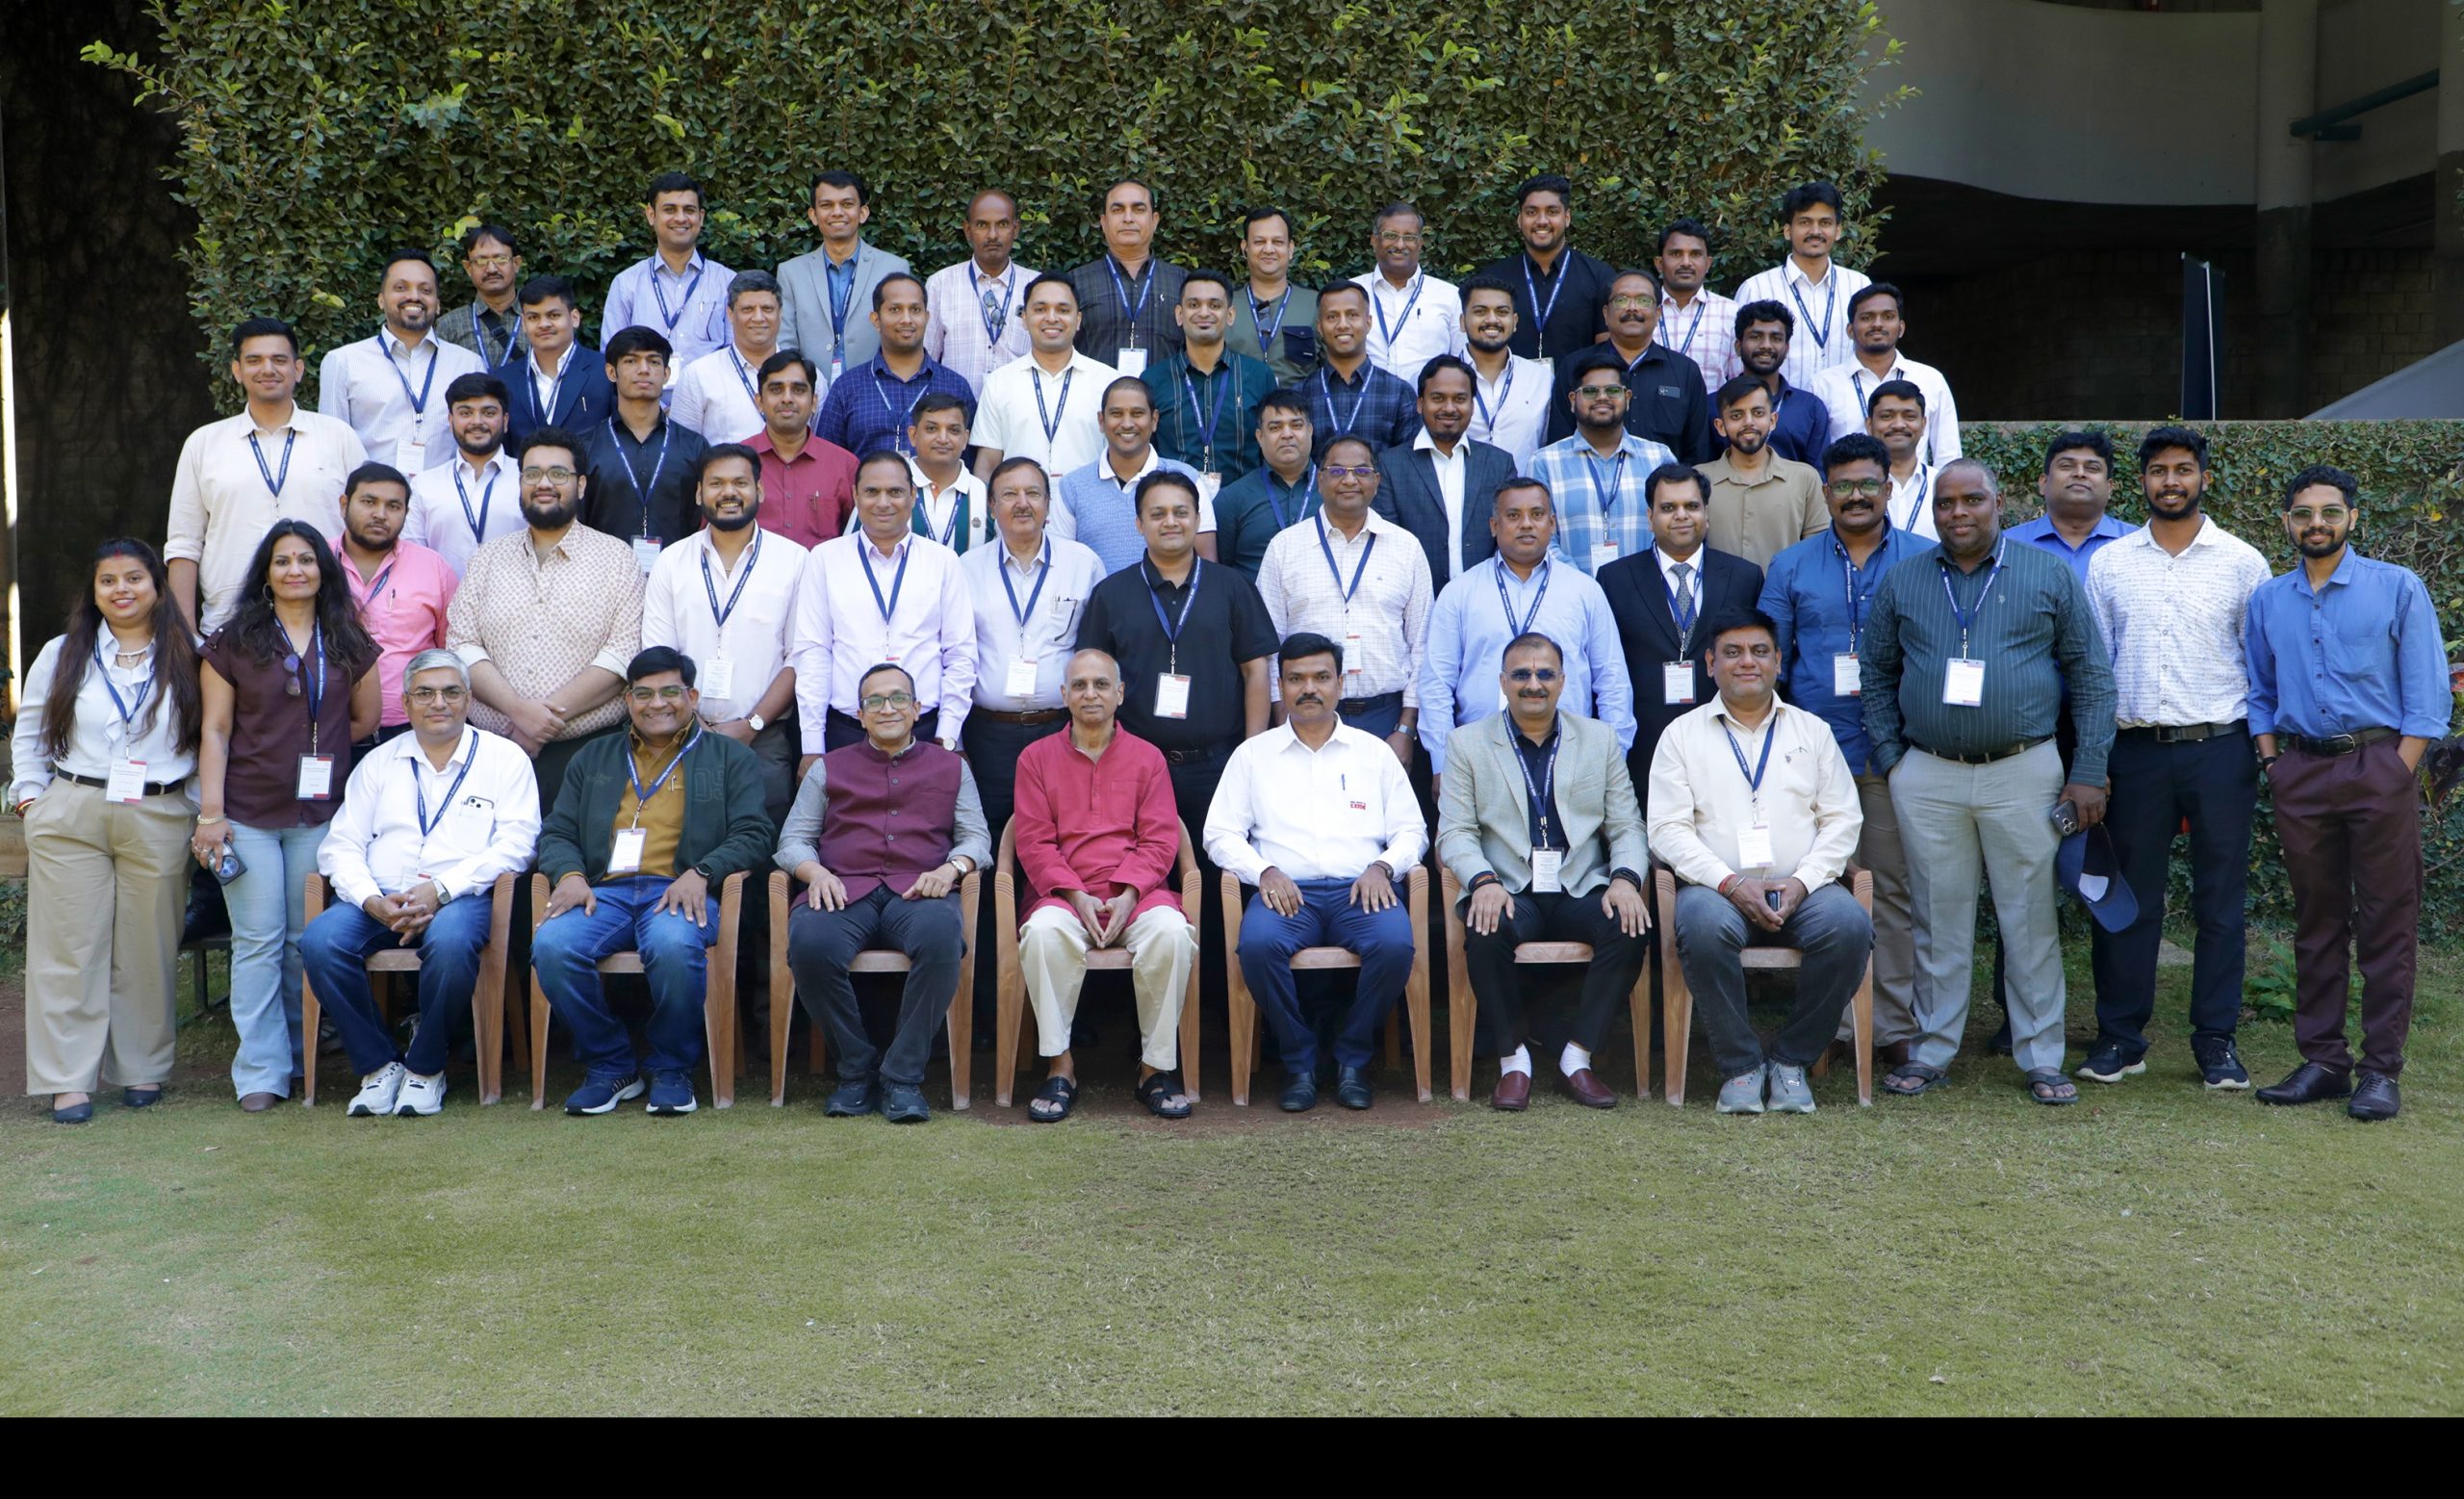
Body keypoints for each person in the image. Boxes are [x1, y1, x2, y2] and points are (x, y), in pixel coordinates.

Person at [1860, 458, 2116, 1106]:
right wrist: (1893, 757)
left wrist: (2089, 770)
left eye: (1972, 500)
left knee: (2029, 918)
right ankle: (1932, 1048)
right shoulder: (1905, 579)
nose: (1958, 513)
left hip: (2023, 770)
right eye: (1945, 503)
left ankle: (2042, 1055)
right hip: (1929, 772)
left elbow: (2091, 675)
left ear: (1999, 503)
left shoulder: (2046, 573)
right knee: (1936, 917)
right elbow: (1876, 672)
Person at [2247, 464, 2451, 1123]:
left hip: (2377, 767)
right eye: (2304, 513)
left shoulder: (2397, 587)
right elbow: (2260, 691)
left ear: (2352, 518)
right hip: (2301, 772)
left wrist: (2397, 770)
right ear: (2287, 522)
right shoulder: (2268, 600)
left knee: (2387, 919)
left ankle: (2380, 1070)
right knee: (2318, 920)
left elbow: (2428, 696)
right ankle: (2324, 1063)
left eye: (2330, 512)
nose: (2317, 523)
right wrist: (2273, 763)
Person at [2079, 426, 2272, 1092]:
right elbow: (2095, 670)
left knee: (2221, 901)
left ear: (2203, 479)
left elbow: (2260, 664)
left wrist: (2263, 750)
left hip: (2221, 748)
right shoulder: (2111, 563)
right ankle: (2120, 1037)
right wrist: (2094, 760)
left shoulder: (2243, 562)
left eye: (2183, 469)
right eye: (2158, 470)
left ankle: (2216, 1040)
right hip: (2136, 751)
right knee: (2128, 900)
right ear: (2142, 481)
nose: (2170, 481)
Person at [531, 648, 776, 1117]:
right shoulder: (593, 756)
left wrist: (702, 872)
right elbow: (557, 831)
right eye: (643, 694)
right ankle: (610, 1066)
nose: (656, 703)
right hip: (603, 892)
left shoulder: (729, 757)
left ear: (692, 697)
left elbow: (754, 833)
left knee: (672, 944)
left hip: (680, 890)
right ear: (628, 701)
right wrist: (571, 874)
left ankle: (671, 1068)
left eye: (669, 692)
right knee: (553, 946)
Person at [299, 651, 540, 1118]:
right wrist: (370, 899)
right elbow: (341, 844)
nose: (439, 703)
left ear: (468, 700)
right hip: (381, 897)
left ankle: (426, 1068)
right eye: (425, 693)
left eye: (451, 692)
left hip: (461, 898)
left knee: (450, 944)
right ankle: (379, 1066)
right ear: (406, 703)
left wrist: (441, 889)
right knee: (321, 942)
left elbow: (518, 845)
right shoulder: (379, 762)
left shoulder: (504, 759)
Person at [11, 540, 203, 1124]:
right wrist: (30, 798)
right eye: (108, 581)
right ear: (93, 593)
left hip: (159, 811)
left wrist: (195, 804)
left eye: (134, 578)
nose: (122, 590)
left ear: (157, 587)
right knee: (68, 950)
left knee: (148, 946)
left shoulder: (190, 653)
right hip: (74, 809)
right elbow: (31, 731)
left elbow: (211, 735)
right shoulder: (62, 652)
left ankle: (142, 1067)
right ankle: (67, 1079)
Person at [192, 522, 383, 1110]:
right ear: (266, 573)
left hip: (320, 815)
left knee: (304, 941)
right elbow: (215, 730)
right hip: (246, 812)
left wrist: (317, 744)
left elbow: (365, 721)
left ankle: (303, 1059)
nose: (295, 570)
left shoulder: (348, 639)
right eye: (282, 561)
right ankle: (261, 1071)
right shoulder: (234, 642)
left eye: (306, 559)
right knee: (258, 940)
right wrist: (211, 814)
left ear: (324, 570)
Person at [1650, 607, 1869, 1115]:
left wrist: (1804, 881)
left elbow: (1842, 819)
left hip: (1804, 890)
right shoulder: (1681, 736)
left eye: (1759, 651)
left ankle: (1791, 1061)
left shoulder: (1812, 732)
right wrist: (1728, 883)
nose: (1746, 662)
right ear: (1710, 664)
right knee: (1701, 926)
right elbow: (1666, 830)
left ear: (1778, 662)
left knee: (1849, 926)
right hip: (1716, 892)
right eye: (1732, 652)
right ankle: (1741, 1067)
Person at [1758, 435, 1932, 1062]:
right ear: (1826, 492)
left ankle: (1891, 1026)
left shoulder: (1924, 559)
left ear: (1889, 488)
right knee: (1821, 892)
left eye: (1869, 484)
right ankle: (1828, 1027)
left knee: (1891, 890)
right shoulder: (1791, 565)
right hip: (1810, 759)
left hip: (1893, 753)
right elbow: (1770, 663)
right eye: (1843, 486)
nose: (1857, 496)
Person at [1207, 633, 1426, 1111]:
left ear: (1340, 684)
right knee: (1257, 947)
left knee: (1395, 946)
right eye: (1296, 679)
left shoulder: (1373, 752)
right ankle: (1300, 1061)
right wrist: (1264, 871)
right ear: (1281, 686)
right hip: (1286, 894)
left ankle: (1352, 1057)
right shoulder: (1253, 756)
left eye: (1321, 677)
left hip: (1361, 892)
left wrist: (1383, 866)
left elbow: (1412, 830)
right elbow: (1219, 833)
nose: (1309, 688)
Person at [1437, 631, 1651, 1111]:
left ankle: (1578, 1057)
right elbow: (1455, 831)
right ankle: (1514, 1060)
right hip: (1509, 888)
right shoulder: (1467, 743)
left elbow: (1627, 825)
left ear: (1562, 681)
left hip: (1579, 885)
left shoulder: (1598, 739)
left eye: (1544, 674)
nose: (1533, 684)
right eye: (1521, 674)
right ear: (1503, 682)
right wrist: (1483, 882)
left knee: (1629, 924)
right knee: (1485, 927)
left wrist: (1625, 880)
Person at [777, 662, 989, 1124]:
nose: (887, 708)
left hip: (919, 891)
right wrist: (815, 873)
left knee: (941, 939)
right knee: (810, 944)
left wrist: (951, 869)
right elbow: (793, 840)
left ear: (917, 709)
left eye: (898, 698)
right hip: (842, 889)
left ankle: (903, 1078)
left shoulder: (952, 767)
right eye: (874, 701)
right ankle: (855, 1071)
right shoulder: (828, 768)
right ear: (859, 714)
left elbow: (976, 838)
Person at [1013, 648, 1201, 1122]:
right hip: (1062, 894)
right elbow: (1034, 842)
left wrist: (1129, 894)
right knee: (1042, 934)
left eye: (1101, 684)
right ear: (1064, 695)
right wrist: (1076, 895)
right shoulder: (1035, 758)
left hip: (1139, 894)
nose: (1090, 694)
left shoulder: (1148, 758)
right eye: (1079, 685)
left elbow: (1160, 839)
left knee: (1172, 933)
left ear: (1120, 693)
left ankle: (1154, 1069)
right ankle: (1060, 1066)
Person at [448, 426, 645, 810]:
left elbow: (623, 654)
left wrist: (540, 722)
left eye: (558, 473)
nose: (544, 484)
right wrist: (518, 712)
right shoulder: (488, 558)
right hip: (491, 750)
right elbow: (462, 644)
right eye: (533, 473)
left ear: (581, 485)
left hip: (588, 754)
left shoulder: (617, 559)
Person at [1075, 471, 1277, 839]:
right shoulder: (1111, 594)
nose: (1170, 522)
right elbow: (1092, 680)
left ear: (1198, 520)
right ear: (1139, 524)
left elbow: (1256, 671)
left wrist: (1251, 754)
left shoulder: (1232, 587)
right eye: (1158, 514)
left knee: (1218, 865)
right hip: (1133, 765)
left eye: (1181, 512)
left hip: (1219, 765)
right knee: (1139, 862)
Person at [1420, 478, 1634, 777]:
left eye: (1537, 514)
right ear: (1494, 526)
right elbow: (1436, 683)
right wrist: (1443, 763)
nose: (1526, 524)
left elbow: (1612, 681)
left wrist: (1614, 759)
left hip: (1571, 759)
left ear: (1552, 523)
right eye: (1513, 515)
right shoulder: (1460, 592)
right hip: (1479, 760)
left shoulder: (1585, 591)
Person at [166, 318, 367, 633]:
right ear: (237, 371)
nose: (267, 369)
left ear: (298, 369)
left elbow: (363, 529)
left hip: (326, 620)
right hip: (229, 622)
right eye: (254, 360)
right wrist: (185, 633)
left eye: (279, 360)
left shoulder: (338, 437)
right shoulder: (204, 443)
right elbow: (184, 543)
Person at [642, 444, 807, 829]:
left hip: (764, 739)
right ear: (699, 493)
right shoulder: (672, 561)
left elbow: (799, 657)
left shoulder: (795, 560)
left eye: (740, 483)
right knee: (684, 840)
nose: (728, 492)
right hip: (681, 733)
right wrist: (693, 723)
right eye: (716, 483)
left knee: (761, 842)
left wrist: (752, 725)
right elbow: (658, 654)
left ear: (759, 490)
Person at [960, 458, 1107, 841]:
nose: (1022, 503)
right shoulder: (966, 568)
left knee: (1065, 831)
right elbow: (956, 656)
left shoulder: (1083, 564)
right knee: (992, 832)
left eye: (1033, 493)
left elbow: (1097, 650)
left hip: (1061, 729)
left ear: (1048, 503)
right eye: (1009, 494)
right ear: (992, 505)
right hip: (989, 733)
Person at [1256, 435, 1434, 750]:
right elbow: (1269, 644)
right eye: (1337, 471)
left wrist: (1406, 728)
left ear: (1377, 481)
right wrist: (1283, 717)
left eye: (1361, 471)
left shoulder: (1407, 548)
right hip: (1306, 713)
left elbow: (1421, 644)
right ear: (1320, 479)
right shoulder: (1284, 548)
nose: (1350, 480)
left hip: (1385, 716)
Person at [792, 452, 976, 756]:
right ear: (855, 495)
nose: (883, 502)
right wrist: (812, 745)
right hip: (847, 731)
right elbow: (813, 653)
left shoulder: (943, 561)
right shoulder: (824, 559)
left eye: (895, 492)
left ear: (913, 495)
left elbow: (960, 654)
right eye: (872, 492)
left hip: (926, 731)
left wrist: (947, 734)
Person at [1599, 463, 1765, 788]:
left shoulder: (1744, 577)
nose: (1681, 516)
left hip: (1726, 739)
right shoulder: (1614, 579)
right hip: (1645, 745)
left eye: (1691, 506)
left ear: (1706, 514)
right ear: (1650, 517)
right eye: (1668, 508)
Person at [318, 248, 487, 473]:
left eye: (425, 290)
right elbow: (331, 448)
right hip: (372, 493)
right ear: (381, 299)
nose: (414, 296)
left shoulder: (469, 365)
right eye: (400, 288)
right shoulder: (343, 362)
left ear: (437, 303)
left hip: (447, 493)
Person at [333, 461, 457, 750]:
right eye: (369, 502)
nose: (380, 514)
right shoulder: (316, 561)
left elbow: (449, 649)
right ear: (344, 505)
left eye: (393, 506)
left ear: (406, 513)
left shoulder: (432, 567)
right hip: (330, 728)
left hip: (411, 730)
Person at [1527, 346, 1677, 576]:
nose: (1602, 397)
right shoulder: (1544, 463)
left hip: (1648, 589)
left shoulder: (1659, 458)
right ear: (1572, 400)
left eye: (1613, 390)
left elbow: (1674, 528)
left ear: (1627, 398)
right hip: (1571, 590)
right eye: (1590, 391)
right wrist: (1581, 585)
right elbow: (1538, 536)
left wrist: (1643, 583)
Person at [1373, 355, 1515, 588]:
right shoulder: (1389, 465)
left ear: (1472, 405)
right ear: (1420, 404)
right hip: (1414, 598)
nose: (1449, 408)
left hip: (1486, 597)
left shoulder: (1499, 464)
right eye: (1438, 398)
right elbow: (1387, 544)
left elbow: (1508, 539)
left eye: (1460, 399)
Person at [1546, 267, 1710, 463]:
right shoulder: (1574, 366)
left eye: (1643, 301)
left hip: (1666, 481)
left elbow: (1698, 451)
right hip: (1586, 479)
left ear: (1658, 313)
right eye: (1621, 300)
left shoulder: (1685, 371)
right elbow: (1559, 442)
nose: (1632, 308)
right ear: (1605, 313)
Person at [578, 326, 709, 570]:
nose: (644, 369)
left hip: (679, 576)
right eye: (631, 361)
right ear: (611, 372)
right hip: (601, 576)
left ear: (667, 373)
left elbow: (703, 520)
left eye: (654, 361)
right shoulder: (585, 446)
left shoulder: (694, 446)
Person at [1052, 376, 1210, 574]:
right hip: (1095, 595)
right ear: (1101, 421)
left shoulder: (1187, 479)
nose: (1127, 424)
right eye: (1116, 414)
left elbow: (1207, 564)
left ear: (1154, 420)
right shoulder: (1072, 487)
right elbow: (1060, 567)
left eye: (1137, 414)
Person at [814, 271, 978, 460]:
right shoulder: (847, 387)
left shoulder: (955, 387)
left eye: (915, 310)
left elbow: (970, 462)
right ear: (876, 320)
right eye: (895, 310)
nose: (906, 319)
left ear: (926, 317)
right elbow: (827, 460)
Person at [970, 273, 1118, 481]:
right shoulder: (999, 382)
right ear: (1024, 318)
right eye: (1040, 309)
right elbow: (987, 465)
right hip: (1019, 500)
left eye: (1063, 310)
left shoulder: (1108, 382)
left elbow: (1122, 460)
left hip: (1089, 501)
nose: (1051, 318)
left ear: (1078, 320)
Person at [1143, 270, 1276, 491]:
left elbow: (1272, 448)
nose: (1204, 313)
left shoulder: (1259, 376)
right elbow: (1145, 451)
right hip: (1173, 502)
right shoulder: (1154, 380)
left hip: (1244, 503)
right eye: (1193, 305)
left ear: (1230, 315)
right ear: (1179, 314)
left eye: (1214, 305)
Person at [775, 168, 911, 382]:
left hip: (875, 389)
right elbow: (785, 343)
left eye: (847, 204)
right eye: (826, 205)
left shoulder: (893, 268)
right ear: (813, 215)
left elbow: (901, 339)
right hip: (811, 391)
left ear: (863, 213)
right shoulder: (790, 273)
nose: (837, 212)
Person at [1733, 180, 1870, 390]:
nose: (1815, 231)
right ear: (1787, 231)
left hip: (1845, 407)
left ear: (1838, 230)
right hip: (1776, 407)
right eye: (1805, 222)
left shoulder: (1859, 286)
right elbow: (1738, 363)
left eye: (1825, 223)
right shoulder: (1756, 288)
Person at [1806, 283, 1960, 463]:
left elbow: (1948, 457)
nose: (1877, 324)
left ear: (1901, 328)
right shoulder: (1822, 385)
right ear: (1850, 330)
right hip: (1849, 481)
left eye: (1888, 317)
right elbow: (1814, 459)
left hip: (1915, 482)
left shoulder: (1930, 380)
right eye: (1867, 317)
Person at [601, 170, 732, 375]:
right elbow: (612, 358)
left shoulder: (727, 282)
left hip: (710, 395)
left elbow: (737, 355)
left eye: (689, 210)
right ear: (651, 215)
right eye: (670, 210)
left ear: (701, 217)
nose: (680, 218)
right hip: (645, 395)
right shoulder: (626, 284)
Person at [1474, 174, 1615, 360]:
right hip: (1511, 379)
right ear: (1520, 219)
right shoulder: (1494, 278)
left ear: (1567, 217)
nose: (1541, 221)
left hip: (1577, 379)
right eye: (1531, 212)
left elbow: (1607, 353)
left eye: (1552, 212)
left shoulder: (1599, 277)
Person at [1699, 374, 1828, 569]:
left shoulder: (1805, 479)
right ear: (1720, 426)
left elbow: (1817, 554)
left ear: (1773, 420)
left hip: (1787, 589)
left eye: (1758, 413)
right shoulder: (1698, 480)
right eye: (1736, 415)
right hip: (1715, 590)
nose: (1748, 422)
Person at [405, 373, 525, 574]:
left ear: (505, 421)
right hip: (443, 594)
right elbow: (413, 559)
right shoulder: (424, 485)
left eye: (488, 413)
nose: (477, 422)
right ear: (450, 420)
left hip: (517, 593)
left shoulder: (528, 479)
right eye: (466, 413)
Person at [922, 188, 1039, 393]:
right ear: (967, 230)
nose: (992, 235)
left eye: (1002, 224)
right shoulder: (940, 285)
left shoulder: (1037, 286)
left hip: (1021, 407)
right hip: (956, 408)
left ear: (1016, 228)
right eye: (982, 225)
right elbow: (925, 361)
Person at [1070, 177, 1189, 373]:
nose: (1128, 218)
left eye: (1138, 209)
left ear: (1154, 220)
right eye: (1117, 210)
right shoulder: (1075, 283)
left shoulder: (1183, 283)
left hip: (1166, 392)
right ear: (1104, 222)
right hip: (1095, 392)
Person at [746, 350, 859, 549]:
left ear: (814, 402)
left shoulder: (844, 465)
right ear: (759, 402)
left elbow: (858, 538)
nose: (787, 398)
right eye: (776, 390)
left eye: (798, 390)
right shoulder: (737, 462)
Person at [1295, 282, 1421, 452]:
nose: (1343, 324)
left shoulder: (1399, 393)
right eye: (1332, 317)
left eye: (1352, 315)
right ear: (1320, 327)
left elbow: (1408, 462)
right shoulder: (1300, 394)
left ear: (1368, 322)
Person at [1210, 392, 1321, 581]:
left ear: (1310, 431)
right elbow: (1221, 571)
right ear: (1260, 437)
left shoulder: (1336, 490)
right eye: (1275, 427)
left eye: (1296, 425)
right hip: (1254, 599)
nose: (1287, 434)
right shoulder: (1232, 499)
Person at [669, 269, 784, 445]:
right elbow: (682, 450)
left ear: (780, 313)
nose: (758, 318)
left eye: (767, 309)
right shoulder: (698, 376)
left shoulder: (807, 375)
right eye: (748, 309)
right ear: (730, 314)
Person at [495, 273, 612, 446]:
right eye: (533, 317)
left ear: (574, 318)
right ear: (523, 324)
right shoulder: (503, 379)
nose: (544, 324)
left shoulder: (605, 371)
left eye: (554, 315)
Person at [1352, 201, 1463, 381]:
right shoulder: (1352, 292)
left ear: (1420, 243)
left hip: (1428, 398)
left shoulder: (1450, 297)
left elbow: (1462, 362)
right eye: (1390, 235)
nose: (1400, 244)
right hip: (1365, 397)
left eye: (1409, 237)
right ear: (1374, 241)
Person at [2007, 428, 2138, 579]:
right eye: (2066, 466)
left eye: (2092, 468)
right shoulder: (2008, 545)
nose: (2080, 473)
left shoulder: (2138, 545)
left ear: (2109, 488)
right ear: (2044, 483)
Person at [1457, 273, 1554, 469]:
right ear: (1462, 321)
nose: (1492, 320)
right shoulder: (1440, 379)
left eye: (1502, 312)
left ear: (1515, 321)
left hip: (1524, 487)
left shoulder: (1541, 379)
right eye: (1480, 311)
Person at [1726, 301, 1830, 468]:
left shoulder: (1810, 408)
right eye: (1756, 337)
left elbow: (1820, 474)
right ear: (1738, 346)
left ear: (1786, 348)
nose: (1766, 345)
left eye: (1776, 338)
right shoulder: (1714, 406)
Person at [1226, 206, 1319, 382]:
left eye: (1277, 242)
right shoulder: (1224, 305)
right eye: (1259, 242)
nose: (1269, 249)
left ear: (1290, 248)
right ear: (1245, 248)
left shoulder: (1316, 305)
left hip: (1299, 400)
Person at [1653, 218, 1741, 399]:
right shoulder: (1643, 312)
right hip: (1651, 413)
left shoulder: (1730, 313)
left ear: (1708, 263)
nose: (1686, 262)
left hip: (1710, 414)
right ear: (1659, 263)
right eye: (1676, 254)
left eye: (1695, 254)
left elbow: (1738, 381)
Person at [903, 393, 995, 554]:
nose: (943, 438)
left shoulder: (988, 496)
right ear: (913, 435)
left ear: (965, 439)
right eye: (932, 429)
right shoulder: (887, 490)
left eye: (953, 430)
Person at [435, 223, 526, 368]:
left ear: (516, 263)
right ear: (468, 268)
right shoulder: (450, 325)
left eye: (500, 259)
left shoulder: (537, 318)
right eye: (481, 261)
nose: (491, 269)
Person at [1862, 379, 1939, 541]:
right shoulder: (1854, 487)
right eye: (1887, 416)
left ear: (1923, 424)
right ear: (1869, 425)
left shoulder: (1941, 483)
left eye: (1909, 416)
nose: (1898, 425)